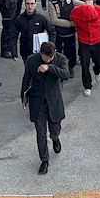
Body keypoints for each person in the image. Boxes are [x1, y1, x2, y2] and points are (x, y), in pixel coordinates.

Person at [21, 42, 71, 175]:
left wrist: (49, 67)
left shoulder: (60, 59)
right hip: (38, 101)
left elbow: (66, 74)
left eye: (50, 58)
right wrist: (24, 97)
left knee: (54, 129)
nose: (48, 60)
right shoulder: (32, 60)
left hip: (53, 101)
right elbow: (26, 79)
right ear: (40, 53)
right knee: (40, 132)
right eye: (45, 57)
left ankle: (55, 138)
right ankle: (44, 160)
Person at [70, 0, 100, 96]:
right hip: (84, 42)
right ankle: (87, 85)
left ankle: (97, 70)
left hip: (98, 41)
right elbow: (73, 21)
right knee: (84, 64)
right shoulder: (76, 12)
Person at [47, 0, 82, 79]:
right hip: (58, 34)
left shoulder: (71, 0)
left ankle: (70, 68)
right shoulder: (52, 3)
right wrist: (70, 24)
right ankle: (59, 71)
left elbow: (82, 4)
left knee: (71, 53)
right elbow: (54, 20)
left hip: (70, 35)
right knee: (58, 54)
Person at [9, 0, 56, 64]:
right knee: (29, 73)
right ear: (25, 4)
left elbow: (52, 32)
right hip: (25, 52)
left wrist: (51, 48)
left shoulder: (41, 18)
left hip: (40, 53)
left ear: (35, 4)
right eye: (28, 4)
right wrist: (14, 53)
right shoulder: (19, 19)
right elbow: (13, 36)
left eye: (32, 3)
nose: (30, 6)